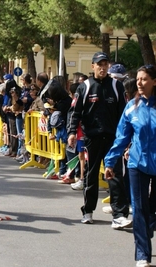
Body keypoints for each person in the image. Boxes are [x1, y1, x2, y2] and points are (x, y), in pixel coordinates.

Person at [67, 52, 131, 228]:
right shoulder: (85, 87)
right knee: (91, 175)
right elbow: (75, 112)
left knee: (116, 175)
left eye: (105, 64)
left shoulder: (117, 86)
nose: (103, 68)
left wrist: (126, 138)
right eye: (99, 64)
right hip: (92, 138)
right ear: (93, 66)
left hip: (113, 139)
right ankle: (88, 211)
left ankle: (119, 215)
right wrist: (72, 132)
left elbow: (124, 114)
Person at [104, 65, 156, 267]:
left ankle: (148, 226)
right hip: (137, 163)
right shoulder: (131, 107)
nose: (140, 83)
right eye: (138, 79)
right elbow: (121, 137)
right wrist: (110, 161)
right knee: (140, 209)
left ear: (154, 81)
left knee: (151, 212)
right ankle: (142, 254)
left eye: (144, 79)